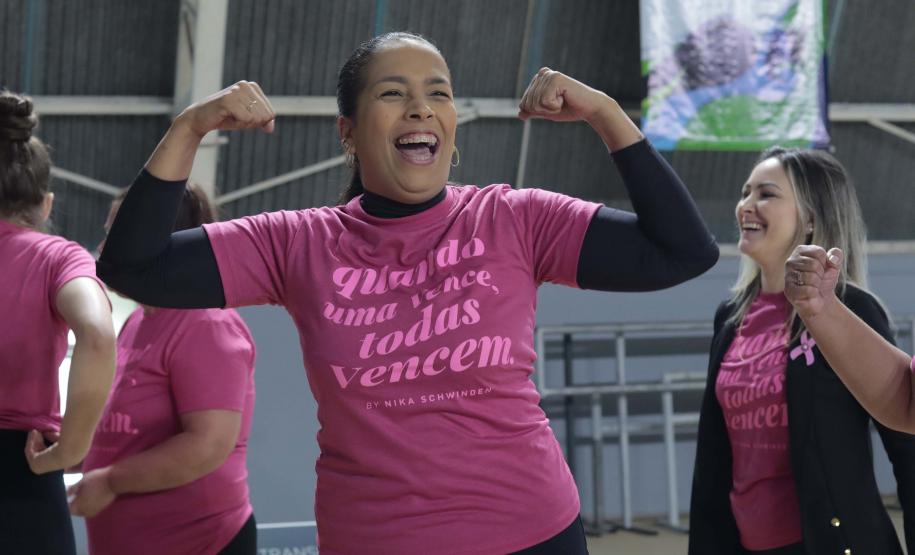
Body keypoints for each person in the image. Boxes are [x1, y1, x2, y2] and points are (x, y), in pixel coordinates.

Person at [97, 32, 718, 554]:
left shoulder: (516, 219)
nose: (420, 108)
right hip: (375, 538)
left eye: (438, 93)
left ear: (451, 125)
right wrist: (190, 126)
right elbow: (134, 266)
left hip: (531, 530)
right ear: (348, 130)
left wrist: (606, 114)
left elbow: (683, 250)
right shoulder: (296, 242)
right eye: (393, 93)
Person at [688, 147, 915, 555]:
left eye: (766, 194)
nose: (746, 206)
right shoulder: (730, 316)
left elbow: (907, 448)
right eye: (745, 192)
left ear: (810, 219)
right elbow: (713, 461)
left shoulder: (852, 310)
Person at [67, 185, 258, 555]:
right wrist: (67, 445)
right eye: (108, 234)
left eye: (116, 236)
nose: (104, 249)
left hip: (198, 542)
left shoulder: (205, 324)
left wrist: (110, 482)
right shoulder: (139, 320)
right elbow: (127, 429)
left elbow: (207, 444)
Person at [0, 90, 116, 554]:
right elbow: (97, 331)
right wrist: (70, 450)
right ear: (46, 204)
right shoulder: (56, 257)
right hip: (24, 476)